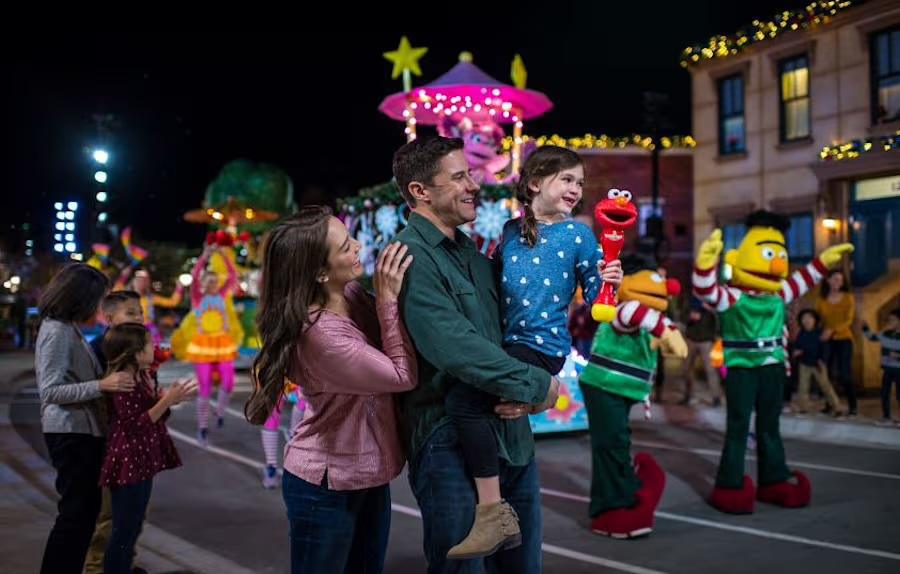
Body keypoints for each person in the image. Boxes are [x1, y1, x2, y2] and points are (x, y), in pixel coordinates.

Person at [443, 145, 622, 558]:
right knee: (488, 409)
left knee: (464, 403)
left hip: (540, 348)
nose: (576, 188)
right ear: (536, 182)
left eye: (580, 181)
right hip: (507, 346)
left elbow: (600, 305)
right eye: (567, 179)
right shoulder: (509, 231)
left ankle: (491, 513)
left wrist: (609, 277)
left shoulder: (578, 233)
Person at [393, 136, 560, 573]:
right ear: (420, 191)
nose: (474, 184)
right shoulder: (412, 256)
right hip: (449, 443)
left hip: (512, 439)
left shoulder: (475, 254)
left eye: (471, 173)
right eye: (460, 176)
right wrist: (540, 385)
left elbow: (522, 320)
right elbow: (456, 349)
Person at [245, 206, 417, 573]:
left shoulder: (350, 292)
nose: (357, 245)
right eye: (344, 247)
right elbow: (401, 374)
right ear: (320, 272)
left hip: (368, 476)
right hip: (324, 486)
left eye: (350, 236)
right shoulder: (320, 335)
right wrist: (387, 301)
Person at [35, 264, 134, 574]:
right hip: (70, 433)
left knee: (82, 514)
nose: (99, 307)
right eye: (98, 299)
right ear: (80, 297)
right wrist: (101, 385)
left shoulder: (68, 329)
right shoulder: (57, 331)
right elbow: (51, 390)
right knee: (75, 515)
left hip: (81, 431)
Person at [99, 323, 196, 573]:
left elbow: (155, 417)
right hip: (128, 461)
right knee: (124, 529)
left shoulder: (143, 376)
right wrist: (165, 401)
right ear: (134, 352)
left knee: (134, 525)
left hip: (141, 460)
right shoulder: (125, 381)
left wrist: (166, 399)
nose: (155, 348)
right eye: (149, 344)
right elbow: (135, 424)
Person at [85, 289, 145, 574]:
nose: (140, 318)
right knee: (108, 515)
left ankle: (124, 563)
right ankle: (97, 568)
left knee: (131, 516)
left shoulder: (135, 351)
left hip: (133, 449)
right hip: (111, 446)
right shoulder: (100, 350)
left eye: (140, 312)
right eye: (131, 313)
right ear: (108, 318)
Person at [186, 244, 239, 446]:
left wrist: (224, 256)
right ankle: (202, 428)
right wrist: (204, 256)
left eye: (216, 281)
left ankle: (220, 412)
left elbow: (233, 276)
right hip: (204, 346)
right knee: (205, 387)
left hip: (222, 343)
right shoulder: (198, 297)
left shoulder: (221, 295)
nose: (214, 284)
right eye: (210, 281)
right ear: (204, 283)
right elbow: (194, 277)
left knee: (228, 382)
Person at [816, 270, 857, 416]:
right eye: (835, 279)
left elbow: (849, 320)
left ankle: (853, 406)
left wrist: (832, 330)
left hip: (844, 339)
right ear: (828, 280)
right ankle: (831, 404)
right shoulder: (821, 300)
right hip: (827, 341)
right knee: (827, 374)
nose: (837, 283)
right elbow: (818, 320)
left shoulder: (848, 298)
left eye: (840, 280)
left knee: (845, 373)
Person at [792, 309, 842, 416]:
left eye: (809, 318)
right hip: (804, 362)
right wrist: (797, 352)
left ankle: (837, 407)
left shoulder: (820, 333)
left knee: (825, 386)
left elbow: (825, 348)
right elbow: (797, 346)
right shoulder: (801, 333)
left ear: (815, 320)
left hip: (818, 363)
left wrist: (822, 360)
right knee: (803, 386)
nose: (807, 320)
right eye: (804, 318)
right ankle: (803, 407)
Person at [681, 297, 722, 406]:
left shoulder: (713, 300)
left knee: (711, 370)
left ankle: (716, 397)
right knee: (686, 368)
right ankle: (688, 395)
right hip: (691, 339)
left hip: (706, 341)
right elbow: (682, 316)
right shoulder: (691, 300)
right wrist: (689, 317)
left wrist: (710, 309)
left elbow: (720, 318)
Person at [862, 309, 900, 426]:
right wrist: (865, 327)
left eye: (893, 320)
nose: (889, 322)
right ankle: (886, 417)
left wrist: (898, 356)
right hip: (887, 369)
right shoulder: (886, 334)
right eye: (889, 320)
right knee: (884, 394)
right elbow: (872, 337)